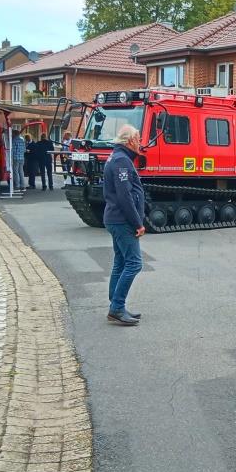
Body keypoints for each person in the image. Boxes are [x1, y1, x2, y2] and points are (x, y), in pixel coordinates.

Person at [103, 125, 146, 326]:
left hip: (114, 218)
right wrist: (138, 222)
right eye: (137, 138)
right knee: (134, 263)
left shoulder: (116, 157)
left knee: (121, 261)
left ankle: (116, 303)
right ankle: (117, 308)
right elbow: (124, 196)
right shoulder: (122, 161)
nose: (140, 142)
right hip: (122, 220)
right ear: (129, 141)